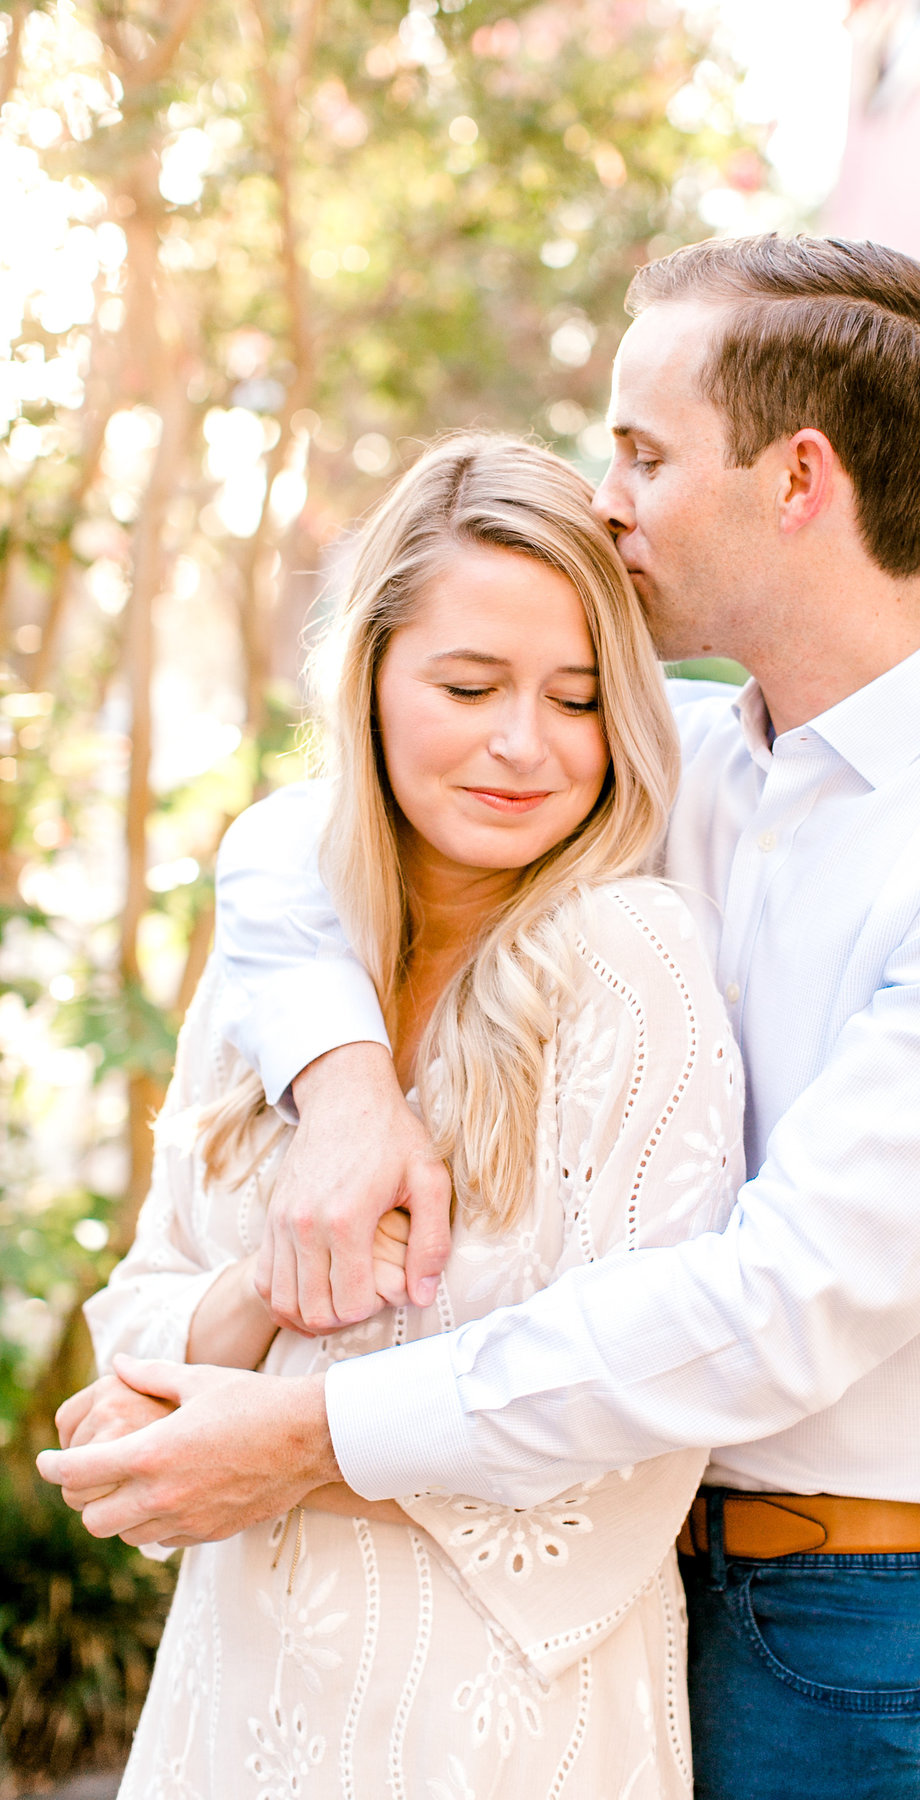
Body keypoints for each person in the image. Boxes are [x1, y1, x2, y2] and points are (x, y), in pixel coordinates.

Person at [41, 235, 920, 1800]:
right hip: (628, 1593)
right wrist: (346, 1086)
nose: (607, 499)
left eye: (644, 454)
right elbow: (293, 842)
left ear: (797, 482)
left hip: (876, 1625)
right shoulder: (700, 760)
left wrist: (315, 1437)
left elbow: (781, 1305)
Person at [51, 435, 745, 1798]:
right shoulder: (291, 971)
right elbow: (141, 1307)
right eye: (469, 684)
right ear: (369, 679)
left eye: (580, 698)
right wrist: (273, 1282)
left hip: (496, 1718)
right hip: (234, 1691)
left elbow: (635, 1427)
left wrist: (257, 1454)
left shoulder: (631, 959)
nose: (522, 745)